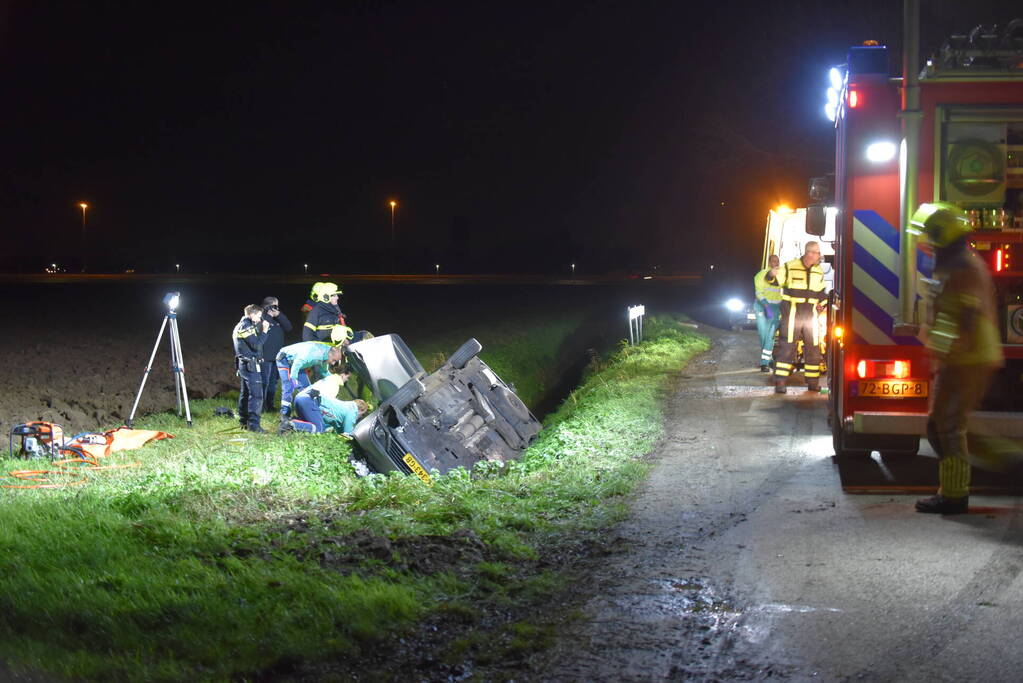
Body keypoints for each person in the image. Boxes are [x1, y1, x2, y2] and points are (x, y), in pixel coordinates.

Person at [909, 202, 1004, 515]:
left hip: (968, 358)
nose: (926, 242)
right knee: (943, 425)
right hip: (964, 356)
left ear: (942, 234)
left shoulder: (960, 266)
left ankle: (955, 495)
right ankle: (956, 489)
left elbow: (962, 315)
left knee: (947, 426)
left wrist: (939, 348)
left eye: (930, 235)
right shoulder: (954, 262)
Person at [773, 242, 826, 394]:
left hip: (811, 315)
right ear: (809, 253)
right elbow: (775, 280)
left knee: (814, 348)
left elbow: (821, 292)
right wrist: (771, 274)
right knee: (788, 346)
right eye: (817, 253)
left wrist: (822, 304)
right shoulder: (790, 266)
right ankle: (780, 382)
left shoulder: (818, 271)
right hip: (792, 313)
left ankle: (812, 382)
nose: (819, 255)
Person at [274, 331, 348, 427]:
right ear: (331, 352)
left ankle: (304, 413)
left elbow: (324, 372)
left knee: (306, 389)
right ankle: (284, 415)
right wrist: (293, 379)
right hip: (285, 359)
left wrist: (333, 379)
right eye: (334, 360)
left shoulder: (325, 356)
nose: (333, 364)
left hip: (298, 364)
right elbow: (298, 362)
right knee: (289, 386)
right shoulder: (315, 352)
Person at [292, 363, 371, 434]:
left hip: (300, 397)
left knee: (311, 424)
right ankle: (291, 425)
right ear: (343, 375)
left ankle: (292, 423)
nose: (347, 380)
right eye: (347, 377)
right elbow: (326, 403)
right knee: (320, 429)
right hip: (309, 401)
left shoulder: (330, 378)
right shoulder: (334, 385)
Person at [232, 304, 270, 432]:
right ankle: (254, 425)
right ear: (251, 314)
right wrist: (264, 331)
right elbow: (256, 344)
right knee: (256, 395)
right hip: (249, 366)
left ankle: (244, 422)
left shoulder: (245, 325)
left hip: (246, 364)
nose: (260, 319)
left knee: (246, 393)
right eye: (258, 316)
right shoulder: (245, 326)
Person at [260, 296, 293, 413]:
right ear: (266, 306)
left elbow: (289, 327)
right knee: (264, 382)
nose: (277, 308)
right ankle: (261, 406)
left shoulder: (278, 319)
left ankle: (270, 405)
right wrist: (269, 315)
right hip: (265, 356)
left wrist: (279, 315)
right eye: (274, 306)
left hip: (277, 356)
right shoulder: (261, 317)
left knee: (273, 383)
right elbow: (263, 328)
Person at [753, 254, 783, 372]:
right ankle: (769, 359)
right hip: (761, 307)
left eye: (777, 261)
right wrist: (765, 305)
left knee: (770, 336)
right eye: (773, 261)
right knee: (763, 335)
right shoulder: (761, 275)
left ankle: (764, 363)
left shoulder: (781, 276)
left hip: (775, 309)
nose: (776, 263)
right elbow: (759, 292)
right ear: (769, 263)